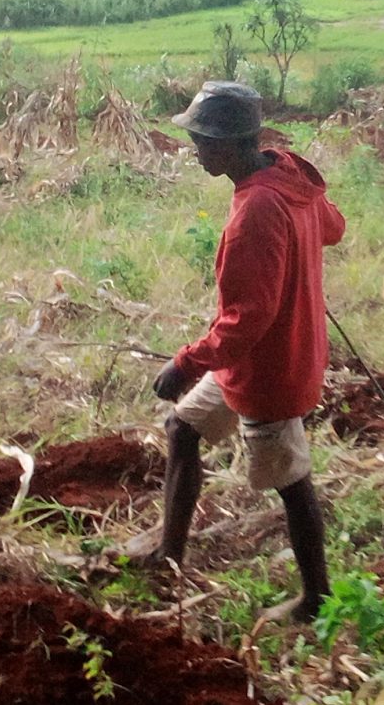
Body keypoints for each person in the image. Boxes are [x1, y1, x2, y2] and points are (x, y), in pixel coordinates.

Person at [130, 82, 345, 622]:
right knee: (183, 429)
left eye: (201, 141)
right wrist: (299, 235)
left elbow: (248, 319)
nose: (195, 151)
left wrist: (185, 362)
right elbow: (334, 228)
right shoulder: (286, 177)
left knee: (291, 482)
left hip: (271, 368)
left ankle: (316, 598)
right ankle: (170, 552)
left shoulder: (258, 208)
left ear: (228, 145)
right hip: (249, 361)